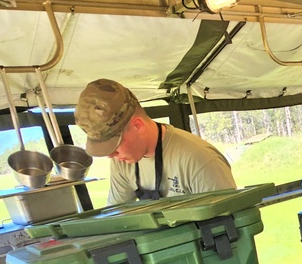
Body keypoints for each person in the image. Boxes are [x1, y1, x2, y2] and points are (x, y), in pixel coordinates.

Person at [75, 79, 236, 205]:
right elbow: (116, 215)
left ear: (137, 125)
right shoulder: (122, 162)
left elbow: (233, 227)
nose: (110, 155)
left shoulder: (198, 159)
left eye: (114, 145)